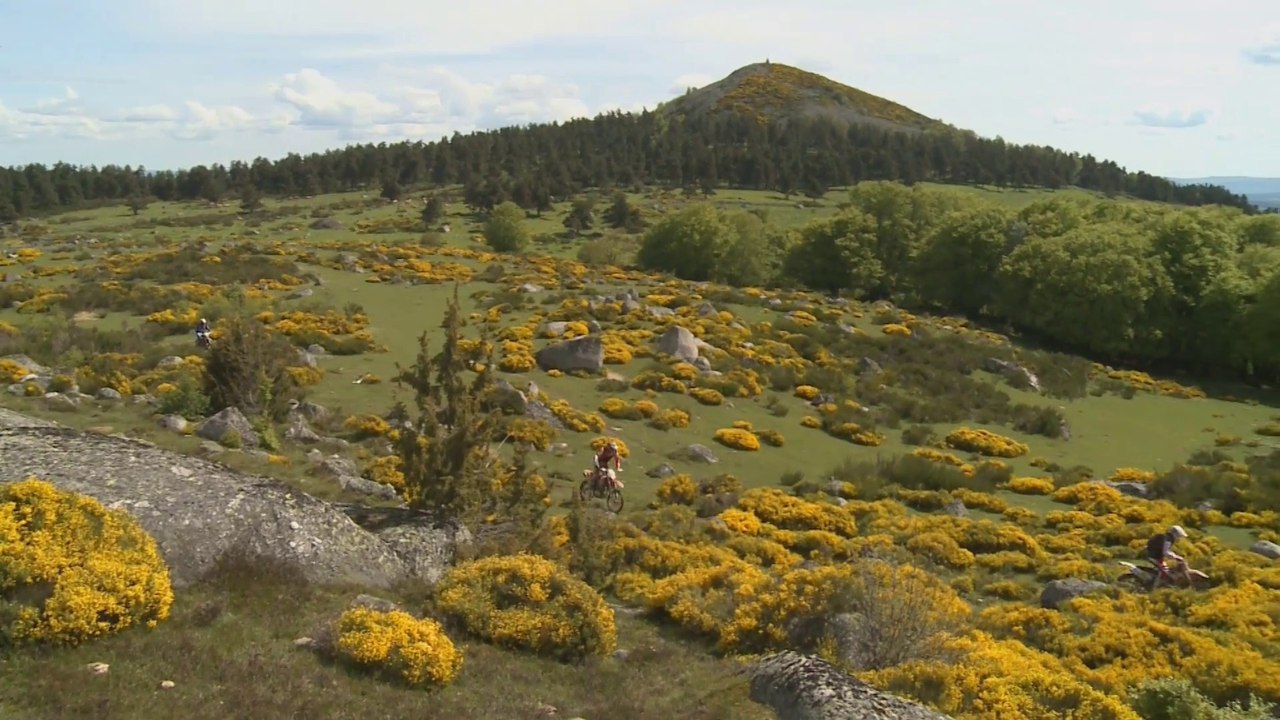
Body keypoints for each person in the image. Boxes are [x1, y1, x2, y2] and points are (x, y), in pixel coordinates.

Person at [1145, 524, 1189, 589]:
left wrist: (1173, 555)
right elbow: (1165, 552)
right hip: (1154, 556)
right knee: (1163, 571)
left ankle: (1157, 584)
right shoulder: (1168, 539)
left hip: (1154, 555)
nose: (1178, 538)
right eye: (1178, 536)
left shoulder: (1165, 537)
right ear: (1175, 534)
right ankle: (1153, 588)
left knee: (1165, 569)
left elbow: (1165, 550)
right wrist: (1176, 557)